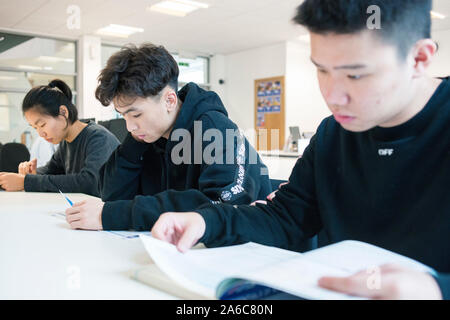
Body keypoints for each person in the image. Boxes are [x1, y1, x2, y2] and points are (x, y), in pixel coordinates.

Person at [150, 0, 449, 300]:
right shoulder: (333, 134)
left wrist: (436, 288)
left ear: (419, 59)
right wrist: (207, 221)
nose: (332, 96)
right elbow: (286, 219)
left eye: (355, 75)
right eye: (322, 70)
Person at [64, 43, 272, 231]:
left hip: (251, 249)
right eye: (124, 115)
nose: (129, 125)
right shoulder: (147, 136)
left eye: (136, 114)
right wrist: (134, 146)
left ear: (170, 101)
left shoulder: (215, 129)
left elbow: (222, 203)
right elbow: (111, 197)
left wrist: (116, 215)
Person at [0, 79, 120, 196]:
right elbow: (50, 171)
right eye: (35, 128)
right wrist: (31, 174)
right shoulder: (65, 143)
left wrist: (26, 182)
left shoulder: (98, 138)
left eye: (42, 125)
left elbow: (90, 182)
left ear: (63, 112)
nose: (41, 134)